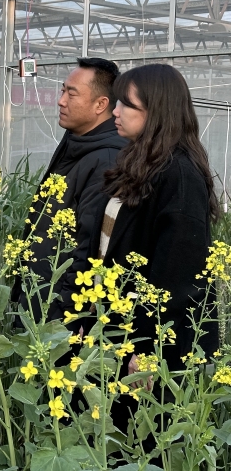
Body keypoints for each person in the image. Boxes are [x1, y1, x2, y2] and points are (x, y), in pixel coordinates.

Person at [93, 64, 219, 436]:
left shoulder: (179, 175)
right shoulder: (142, 163)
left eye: (126, 104)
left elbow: (178, 278)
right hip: (124, 333)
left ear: (157, 112)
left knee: (146, 442)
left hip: (154, 347)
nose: (115, 111)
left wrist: (150, 350)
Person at [12, 58, 126, 322]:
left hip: (58, 317)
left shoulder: (106, 160)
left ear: (101, 104)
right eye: (62, 90)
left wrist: (66, 316)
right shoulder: (78, 142)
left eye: (71, 94)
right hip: (40, 302)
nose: (61, 101)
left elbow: (89, 248)